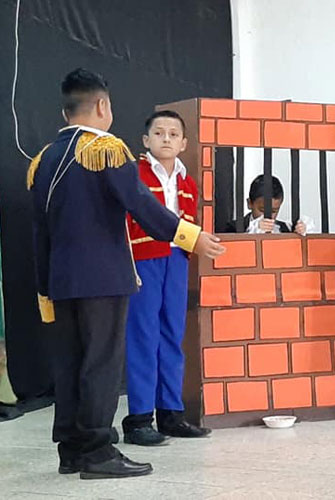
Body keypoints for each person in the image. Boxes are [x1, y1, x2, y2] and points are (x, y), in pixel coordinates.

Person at [28, 68, 225, 479]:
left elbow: (39, 230)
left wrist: (44, 287)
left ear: (65, 110)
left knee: (71, 363)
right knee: (100, 364)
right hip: (103, 278)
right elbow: (140, 202)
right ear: (102, 106)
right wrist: (189, 235)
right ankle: (98, 452)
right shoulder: (106, 149)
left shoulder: (43, 159)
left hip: (61, 280)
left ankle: (72, 449)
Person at [121, 110, 210, 446]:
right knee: (143, 336)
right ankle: (139, 419)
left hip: (176, 259)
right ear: (146, 140)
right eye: (159, 133)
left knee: (173, 334)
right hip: (144, 259)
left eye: (174, 134)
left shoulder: (188, 182)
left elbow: (188, 223)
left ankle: (171, 414)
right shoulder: (134, 174)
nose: (166, 139)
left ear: (184, 143)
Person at [225, 174, 309, 234]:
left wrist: (300, 234)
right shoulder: (232, 229)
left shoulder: (285, 229)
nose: (268, 216)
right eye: (262, 210)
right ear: (249, 203)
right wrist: (254, 232)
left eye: (274, 211)